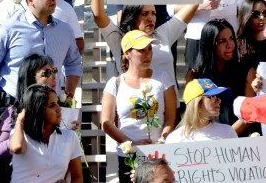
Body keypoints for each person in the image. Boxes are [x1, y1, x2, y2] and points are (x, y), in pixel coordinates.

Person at [0, 0, 82, 119]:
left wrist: (69, 97)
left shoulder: (65, 30)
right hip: (14, 105)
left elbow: (74, 63)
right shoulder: (9, 28)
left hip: (51, 106)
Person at [91, 0, 198, 82]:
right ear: (133, 16)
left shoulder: (163, 34)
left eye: (153, 13)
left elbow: (193, 4)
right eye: (144, 14)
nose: (150, 18)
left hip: (168, 102)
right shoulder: (120, 39)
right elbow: (98, 14)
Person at [101, 30, 177, 182]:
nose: (147, 54)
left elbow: (170, 118)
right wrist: (131, 143)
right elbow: (106, 123)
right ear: (127, 53)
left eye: (149, 49)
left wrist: (162, 140)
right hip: (129, 157)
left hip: (158, 155)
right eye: (141, 50)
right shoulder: (115, 83)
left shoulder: (163, 78)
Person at [10, 83, 83, 182]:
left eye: (57, 103)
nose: (59, 109)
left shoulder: (69, 136)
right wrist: (19, 121)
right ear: (37, 110)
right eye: (51, 105)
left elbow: (78, 177)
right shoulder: (19, 134)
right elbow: (17, 148)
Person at [186, 20, 246, 127]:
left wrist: (228, 135)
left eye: (232, 38)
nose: (229, 45)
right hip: (209, 134)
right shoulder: (194, 75)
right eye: (222, 41)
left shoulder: (245, 71)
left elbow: (248, 112)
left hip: (238, 136)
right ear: (210, 44)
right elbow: (193, 114)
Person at [166, 78, 235, 143]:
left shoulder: (228, 132)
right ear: (197, 102)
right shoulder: (174, 138)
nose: (219, 101)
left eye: (218, 97)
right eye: (213, 96)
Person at [238, 0, 266, 97]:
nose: (262, 18)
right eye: (256, 14)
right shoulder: (236, 46)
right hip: (241, 103)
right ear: (246, 16)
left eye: (265, 13)